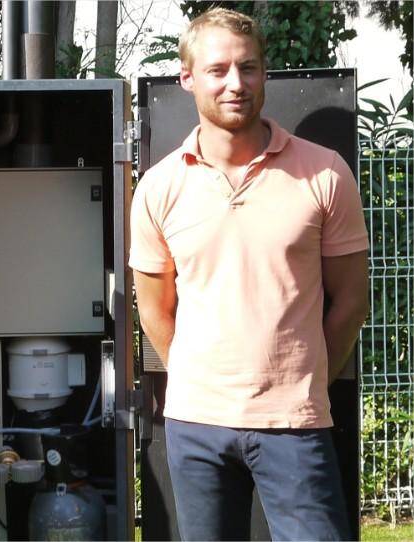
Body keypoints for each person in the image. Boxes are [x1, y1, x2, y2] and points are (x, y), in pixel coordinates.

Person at [130, 8, 368, 541]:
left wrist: (303, 384)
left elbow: (351, 301)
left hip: (296, 421)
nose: (235, 84)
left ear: (264, 73)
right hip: (196, 428)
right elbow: (153, 307)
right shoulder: (159, 187)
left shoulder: (325, 173)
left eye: (249, 68)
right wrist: (199, 379)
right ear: (187, 77)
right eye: (217, 70)